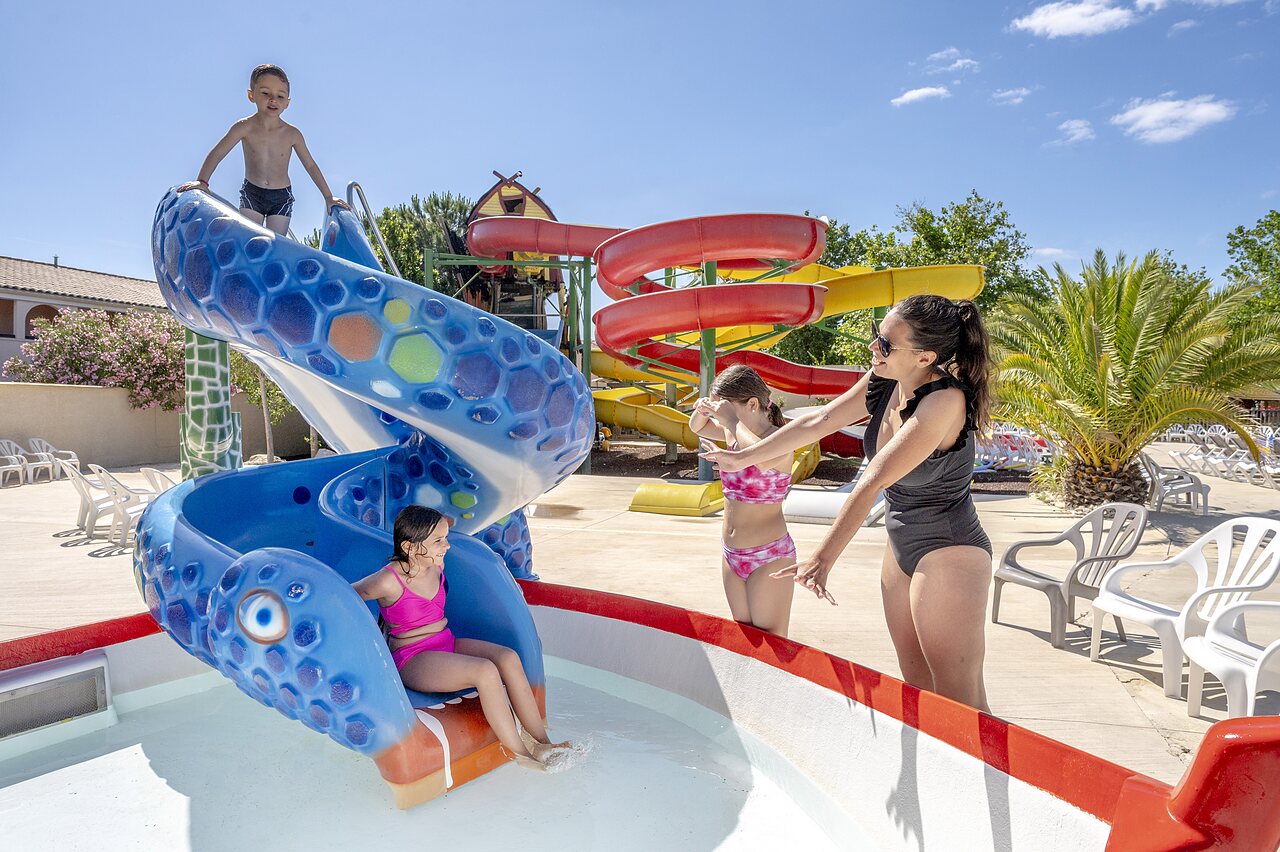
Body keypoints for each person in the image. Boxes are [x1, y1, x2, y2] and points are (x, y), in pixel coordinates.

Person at [700, 296, 994, 712]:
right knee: (918, 685)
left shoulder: (944, 403)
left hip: (949, 549)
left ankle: (984, 774)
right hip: (901, 544)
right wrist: (741, 457)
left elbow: (874, 479)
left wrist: (822, 559)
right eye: (877, 336)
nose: (874, 348)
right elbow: (816, 422)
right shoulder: (884, 382)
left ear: (926, 356)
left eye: (887, 345)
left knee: (958, 698)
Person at [352, 505, 568, 767]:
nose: (447, 546)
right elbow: (348, 595)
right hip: (413, 658)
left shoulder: (434, 564)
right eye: (438, 541)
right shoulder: (387, 581)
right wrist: (369, 642)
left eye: (445, 538)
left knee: (508, 658)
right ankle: (520, 754)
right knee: (485, 672)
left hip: (445, 641)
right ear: (409, 547)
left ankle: (542, 741)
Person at [689, 365, 799, 636]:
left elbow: (759, 457)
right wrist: (703, 408)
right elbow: (697, 427)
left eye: (726, 411)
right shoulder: (733, 432)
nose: (722, 418)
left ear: (752, 404)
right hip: (732, 554)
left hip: (768, 557)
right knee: (745, 640)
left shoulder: (779, 439)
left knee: (772, 644)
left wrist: (731, 421)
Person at [177, 64, 349, 236]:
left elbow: (310, 165)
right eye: (266, 93)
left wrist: (328, 197)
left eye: (280, 96)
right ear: (251, 95)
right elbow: (218, 152)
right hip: (252, 192)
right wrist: (202, 181)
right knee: (250, 239)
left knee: (274, 243)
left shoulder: (292, 134)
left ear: (287, 102)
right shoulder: (243, 127)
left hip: (281, 196)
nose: (273, 100)